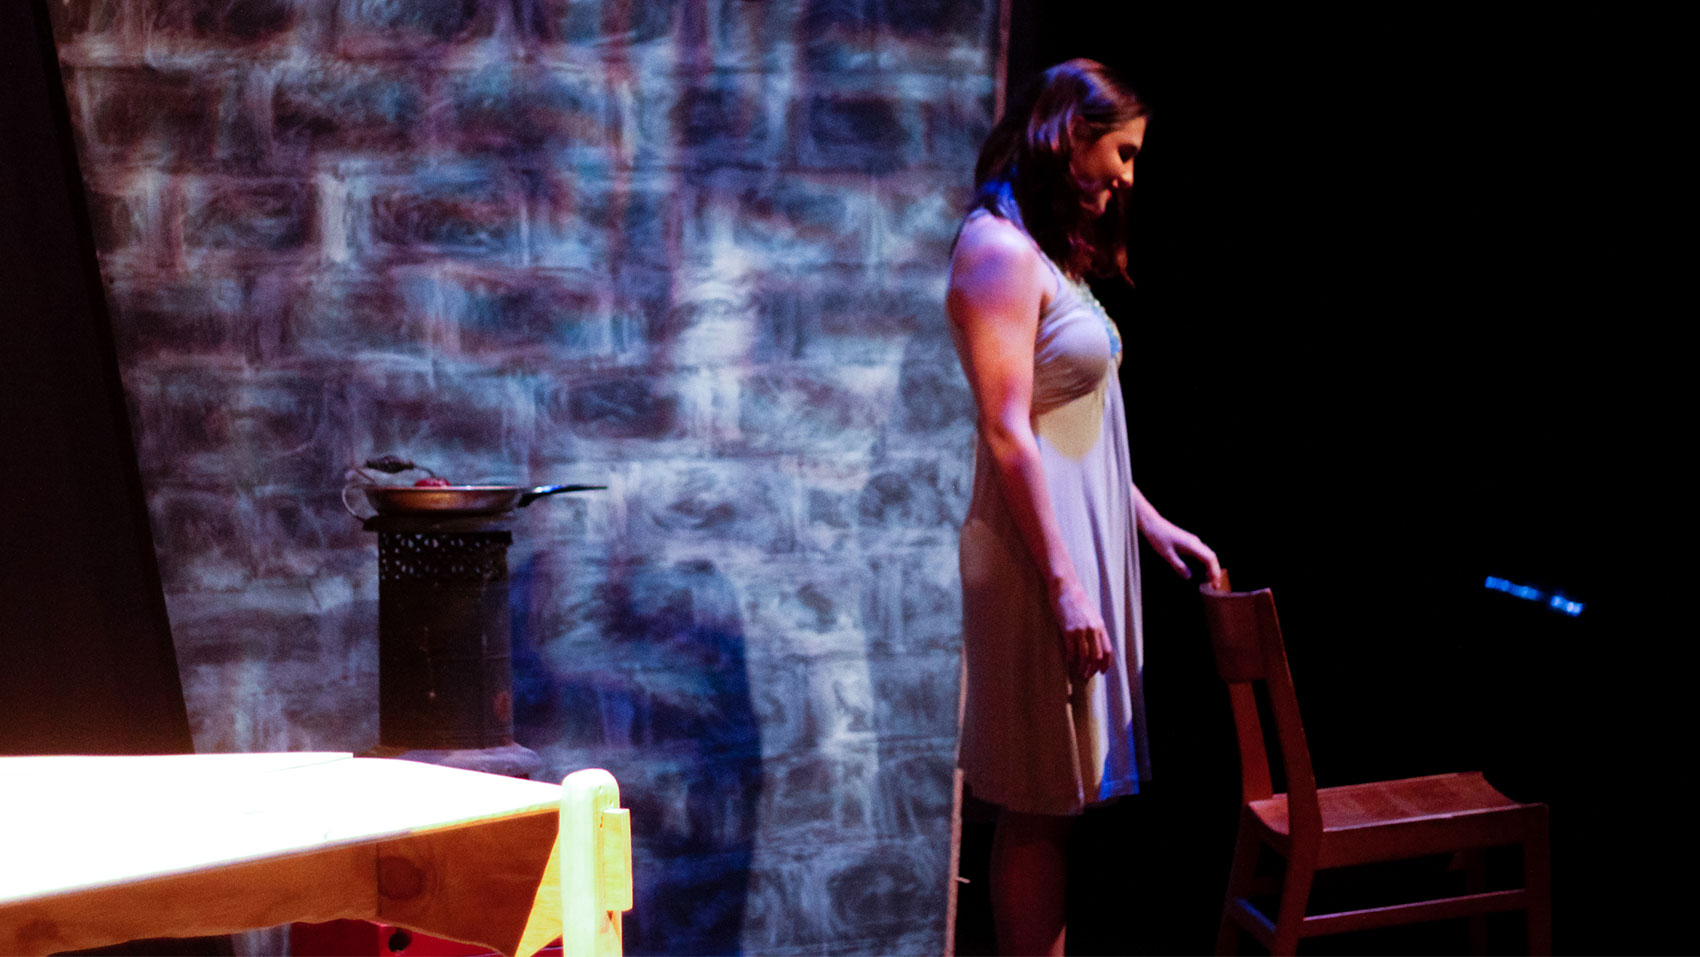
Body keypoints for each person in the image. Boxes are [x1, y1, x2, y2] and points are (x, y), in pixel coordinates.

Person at [947, 58, 1221, 956]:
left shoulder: (1045, 258)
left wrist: (1149, 521)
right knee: (1035, 803)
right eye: (1124, 153)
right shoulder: (996, 251)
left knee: (1055, 807)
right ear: (1071, 135)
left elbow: (1077, 430)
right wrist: (1066, 585)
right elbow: (1009, 432)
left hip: (1064, 544)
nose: (1129, 177)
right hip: (1032, 556)